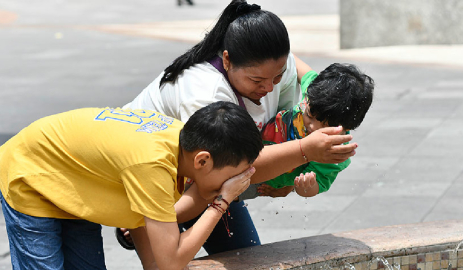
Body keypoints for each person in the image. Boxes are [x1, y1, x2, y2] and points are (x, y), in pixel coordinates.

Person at [119, 0, 358, 254]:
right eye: (257, 80)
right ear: (227, 60)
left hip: (205, 172)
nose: (268, 88)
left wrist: (287, 182)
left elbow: (277, 137)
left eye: (276, 78)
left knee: (245, 257)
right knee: (167, 260)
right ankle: (139, 222)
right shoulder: (206, 93)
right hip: (143, 169)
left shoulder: (280, 69)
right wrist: (304, 151)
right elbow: (227, 171)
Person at [0, 101, 263, 270]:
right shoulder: (152, 166)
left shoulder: (182, 144)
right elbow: (171, 264)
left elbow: (156, 262)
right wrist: (221, 202)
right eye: (233, 176)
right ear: (203, 161)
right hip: (32, 174)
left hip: (74, 182)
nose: (235, 183)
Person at [239, 63, 374, 200]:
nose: (313, 127)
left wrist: (305, 186)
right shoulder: (316, 94)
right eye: (310, 115)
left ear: (347, 128)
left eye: (325, 127)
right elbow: (294, 62)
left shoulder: (335, 150)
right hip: (256, 142)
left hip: (264, 181)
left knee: (227, 192)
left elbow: (315, 185)